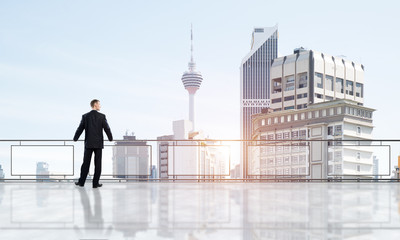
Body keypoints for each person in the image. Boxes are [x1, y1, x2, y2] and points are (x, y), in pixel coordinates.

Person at [73, 99, 113, 188]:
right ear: (95, 105)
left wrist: (75, 138)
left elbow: (80, 128)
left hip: (89, 143)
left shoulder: (85, 116)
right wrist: (110, 138)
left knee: (85, 163)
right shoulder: (102, 116)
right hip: (98, 143)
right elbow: (107, 128)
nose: (100, 106)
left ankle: (81, 182)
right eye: (99, 104)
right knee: (97, 164)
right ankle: (95, 183)